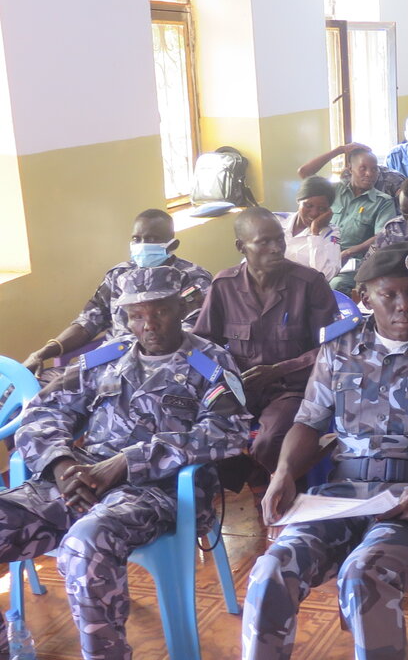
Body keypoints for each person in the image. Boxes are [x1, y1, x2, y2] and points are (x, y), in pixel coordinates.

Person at [241, 243, 408, 660]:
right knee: (271, 569)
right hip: (342, 497)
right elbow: (308, 422)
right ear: (364, 299)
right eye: (390, 294)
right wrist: (283, 472)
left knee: (364, 574)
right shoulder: (339, 348)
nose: (405, 305)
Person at [0, 266, 248, 660]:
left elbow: (228, 432)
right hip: (80, 479)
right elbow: (41, 414)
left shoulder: (208, 363)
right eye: (137, 315)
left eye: (159, 311)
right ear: (125, 318)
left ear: (179, 306)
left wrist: (127, 462)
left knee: (87, 542)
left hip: (157, 491)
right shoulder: (106, 360)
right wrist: (62, 466)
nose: (148, 324)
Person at [192, 208, 339, 492]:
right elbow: (200, 348)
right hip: (239, 389)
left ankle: (274, 491)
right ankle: (251, 481)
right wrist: (222, 380)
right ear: (241, 246)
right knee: (203, 432)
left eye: (279, 240)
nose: (276, 249)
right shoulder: (224, 286)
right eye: (264, 242)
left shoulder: (309, 284)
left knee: (269, 440)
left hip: (292, 387)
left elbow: (333, 349)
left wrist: (277, 371)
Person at [22, 209, 211, 374]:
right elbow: (88, 322)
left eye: (152, 239)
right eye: (137, 239)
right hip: (107, 362)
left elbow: (189, 334)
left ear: (173, 244)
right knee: (21, 391)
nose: (142, 244)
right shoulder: (119, 275)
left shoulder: (192, 279)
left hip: (164, 367)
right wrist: (44, 352)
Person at [297, 143, 398, 294]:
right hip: (319, 252)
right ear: (350, 169)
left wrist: (349, 252)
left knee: (332, 286)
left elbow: (381, 236)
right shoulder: (334, 190)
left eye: (374, 169)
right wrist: (339, 150)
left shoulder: (383, 201)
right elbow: (305, 173)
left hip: (351, 263)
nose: (369, 173)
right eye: (363, 168)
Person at [276, 176, 343, 281]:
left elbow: (324, 276)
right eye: (308, 205)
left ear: (328, 210)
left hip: (302, 292)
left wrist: (315, 232)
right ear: (298, 200)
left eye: (321, 209)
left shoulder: (330, 232)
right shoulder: (277, 221)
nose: (314, 213)